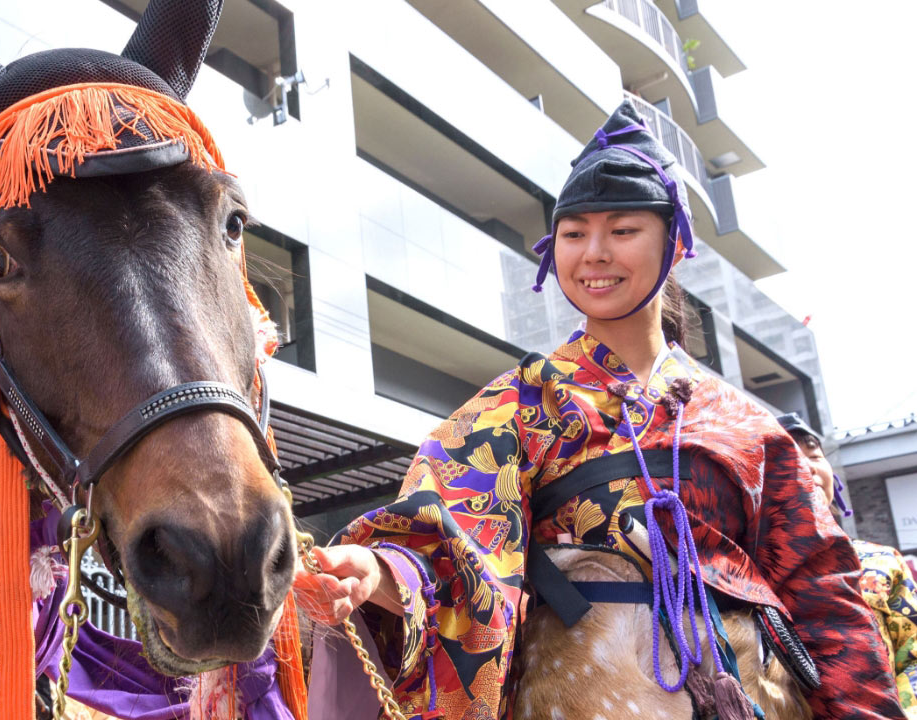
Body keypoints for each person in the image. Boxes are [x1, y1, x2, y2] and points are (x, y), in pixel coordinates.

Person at [296, 100, 903, 719]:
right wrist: (381, 571)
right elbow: (453, 529)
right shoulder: (521, 404)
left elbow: (823, 590)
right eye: (574, 233)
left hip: (752, 694)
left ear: (675, 243)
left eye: (622, 230)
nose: (594, 253)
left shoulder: (749, 428)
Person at [779, 412, 917, 717]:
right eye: (788, 458)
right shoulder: (751, 577)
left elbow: (913, 655)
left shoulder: (883, 562)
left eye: (814, 455)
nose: (808, 467)